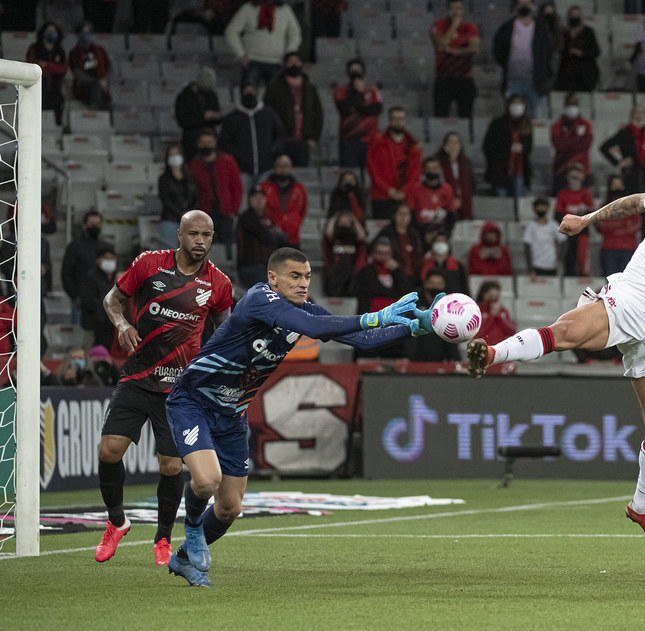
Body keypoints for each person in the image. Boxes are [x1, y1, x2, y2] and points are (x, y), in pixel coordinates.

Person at [465, 164, 645, 554]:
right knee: (566, 334)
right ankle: (493, 352)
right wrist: (587, 218)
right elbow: (633, 203)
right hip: (630, 295)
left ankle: (641, 507)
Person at [164, 247, 429, 585]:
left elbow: (362, 340)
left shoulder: (305, 310)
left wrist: (413, 328)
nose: (303, 283)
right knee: (206, 480)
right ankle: (193, 530)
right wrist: (377, 315)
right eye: (294, 276)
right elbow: (314, 328)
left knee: (230, 508)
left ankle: (185, 558)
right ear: (271, 278)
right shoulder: (258, 299)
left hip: (232, 414)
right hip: (193, 401)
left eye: (306, 277)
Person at [94, 211, 233, 569]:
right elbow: (112, 300)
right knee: (109, 451)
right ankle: (116, 520)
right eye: (194, 234)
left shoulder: (218, 284)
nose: (200, 241)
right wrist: (122, 322)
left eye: (207, 235)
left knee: (171, 466)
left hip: (180, 390)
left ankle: (162, 539)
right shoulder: (149, 264)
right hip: (139, 376)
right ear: (179, 235)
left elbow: (226, 332)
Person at [218, 82, 286, 190]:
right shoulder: (231, 118)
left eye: (252, 91)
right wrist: (238, 156)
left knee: (264, 202)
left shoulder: (269, 114)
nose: (250, 94)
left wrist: (272, 150)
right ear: (241, 94)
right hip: (241, 170)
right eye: (246, 91)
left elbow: (280, 135)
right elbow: (225, 142)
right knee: (242, 203)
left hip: (266, 168)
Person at [492, 0, 554, 116]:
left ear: (531, 6)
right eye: (521, 4)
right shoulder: (507, 27)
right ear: (516, 6)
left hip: (535, 81)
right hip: (513, 80)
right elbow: (498, 49)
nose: (524, 6)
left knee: (538, 117)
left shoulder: (541, 29)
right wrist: (507, 64)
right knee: (512, 116)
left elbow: (548, 52)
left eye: (527, 4)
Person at [189, 130, 244, 259]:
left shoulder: (227, 161)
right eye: (203, 143)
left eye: (209, 142)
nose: (206, 145)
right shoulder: (194, 165)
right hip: (205, 213)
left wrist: (234, 209)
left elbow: (237, 187)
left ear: (215, 142)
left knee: (228, 246)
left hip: (225, 212)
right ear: (198, 144)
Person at [263, 52, 323, 168]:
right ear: (285, 65)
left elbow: (318, 114)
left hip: (303, 141)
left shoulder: (310, 88)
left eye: (297, 61)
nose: (294, 64)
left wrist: (314, 137)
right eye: (291, 62)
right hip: (281, 141)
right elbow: (267, 114)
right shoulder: (274, 87)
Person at [224, 0, 302, 88]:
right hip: (251, 61)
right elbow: (231, 31)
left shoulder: (285, 10)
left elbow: (295, 34)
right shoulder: (248, 9)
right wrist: (240, 54)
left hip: (277, 62)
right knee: (249, 97)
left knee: (276, 99)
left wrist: (289, 55)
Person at [367, 106, 423, 219]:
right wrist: (388, 190)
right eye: (395, 119)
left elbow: (416, 174)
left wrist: (404, 191)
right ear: (390, 120)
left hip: (406, 198)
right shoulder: (377, 142)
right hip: (381, 197)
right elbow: (372, 169)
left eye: (401, 119)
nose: (398, 122)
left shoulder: (413, 146)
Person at [430, 0, 481, 118]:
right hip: (443, 79)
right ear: (447, 10)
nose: (456, 12)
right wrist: (454, 26)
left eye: (458, 8)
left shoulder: (470, 27)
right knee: (440, 116)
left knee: (466, 117)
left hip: (465, 79)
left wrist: (453, 51)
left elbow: (474, 48)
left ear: (463, 10)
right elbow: (441, 45)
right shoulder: (437, 25)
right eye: (453, 8)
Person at [333, 58, 383, 170]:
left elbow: (376, 109)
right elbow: (344, 109)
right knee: (349, 173)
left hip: (370, 140)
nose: (355, 72)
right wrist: (358, 93)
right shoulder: (341, 90)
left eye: (358, 69)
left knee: (370, 172)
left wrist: (356, 107)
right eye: (352, 69)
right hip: (348, 139)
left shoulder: (372, 89)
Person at [61, 211, 110, 325]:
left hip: (102, 303)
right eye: (91, 224)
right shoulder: (75, 247)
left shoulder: (106, 247)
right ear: (84, 225)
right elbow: (66, 274)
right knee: (80, 338)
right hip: (81, 302)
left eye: (97, 224)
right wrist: (75, 296)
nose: (95, 227)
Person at [237, 187, 289, 288]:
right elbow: (268, 238)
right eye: (255, 197)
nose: (259, 200)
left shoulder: (268, 218)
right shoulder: (247, 217)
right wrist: (274, 233)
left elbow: (284, 239)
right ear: (250, 200)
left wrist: (274, 235)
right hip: (250, 268)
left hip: (265, 268)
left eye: (262, 197)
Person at [483, 96, 533, 199]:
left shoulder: (527, 124)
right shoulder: (498, 124)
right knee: (501, 201)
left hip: (520, 171)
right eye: (514, 104)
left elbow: (529, 148)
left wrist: (522, 148)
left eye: (519, 104)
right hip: (500, 171)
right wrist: (507, 148)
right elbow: (488, 146)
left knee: (519, 202)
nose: (517, 107)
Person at [599, 105, 645, 194]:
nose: (639, 116)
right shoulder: (625, 133)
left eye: (642, 113)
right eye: (637, 113)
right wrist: (618, 162)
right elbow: (604, 147)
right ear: (631, 116)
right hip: (630, 174)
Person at [596, 175, 642, 277]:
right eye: (614, 185)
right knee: (610, 283)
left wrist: (614, 227)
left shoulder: (632, 206)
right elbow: (601, 226)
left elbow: (636, 226)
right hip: (609, 250)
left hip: (628, 250)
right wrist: (622, 226)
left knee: (626, 282)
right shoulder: (603, 207)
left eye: (619, 184)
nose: (617, 188)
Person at [409, 270, 459, 362]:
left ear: (444, 286)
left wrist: (454, 359)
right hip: (414, 358)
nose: (435, 287)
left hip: (440, 359)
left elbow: (451, 334)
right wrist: (406, 356)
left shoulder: (449, 306)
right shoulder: (413, 303)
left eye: (439, 284)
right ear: (425, 284)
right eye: (432, 283)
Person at [404, 156, 456, 243]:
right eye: (429, 168)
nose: (432, 171)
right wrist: (419, 234)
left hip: (441, 234)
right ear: (424, 170)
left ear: (440, 169)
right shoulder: (415, 189)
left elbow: (451, 215)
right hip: (420, 234)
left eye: (435, 168)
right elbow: (411, 216)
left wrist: (444, 235)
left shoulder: (447, 189)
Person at [555, 163, 595, 276]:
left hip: (583, 231)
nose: (574, 177)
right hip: (567, 231)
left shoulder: (586, 193)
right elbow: (557, 214)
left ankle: (583, 279)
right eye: (572, 174)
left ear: (582, 177)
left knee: (582, 259)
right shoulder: (563, 194)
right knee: (569, 259)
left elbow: (591, 214)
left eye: (578, 173)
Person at [174, 67, 222, 162]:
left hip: (210, 138)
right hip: (192, 141)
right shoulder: (184, 96)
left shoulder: (212, 95)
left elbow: (218, 115)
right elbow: (182, 120)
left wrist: (216, 116)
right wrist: (203, 117)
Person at [259, 154, 307, 247]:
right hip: (271, 237)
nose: (282, 169)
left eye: (285, 166)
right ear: (274, 168)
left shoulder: (300, 189)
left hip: (293, 238)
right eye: (279, 166)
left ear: (290, 168)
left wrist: (294, 223)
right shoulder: (264, 188)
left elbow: (302, 211)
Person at [550, 93, 593, 194]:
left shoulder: (586, 124)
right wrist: (577, 139)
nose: (572, 108)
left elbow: (585, 144)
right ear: (565, 107)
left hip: (582, 168)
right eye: (569, 105)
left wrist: (568, 139)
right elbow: (558, 144)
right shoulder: (557, 125)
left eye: (574, 104)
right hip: (562, 168)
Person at [25, 22, 67, 126]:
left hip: (55, 89)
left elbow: (63, 69)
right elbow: (33, 68)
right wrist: (51, 68)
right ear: (43, 33)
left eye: (54, 32)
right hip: (38, 88)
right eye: (49, 31)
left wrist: (46, 66)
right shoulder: (34, 48)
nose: (51, 34)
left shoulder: (60, 51)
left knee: (57, 114)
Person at [158, 145, 198, 251]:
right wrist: (181, 213)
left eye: (177, 154)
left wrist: (190, 213)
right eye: (171, 155)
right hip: (170, 220)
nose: (174, 157)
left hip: (190, 222)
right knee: (169, 254)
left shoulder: (191, 177)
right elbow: (166, 200)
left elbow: (196, 197)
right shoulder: (164, 179)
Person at [553, 5, 601, 93]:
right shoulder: (564, 33)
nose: (575, 18)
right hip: (568, 75)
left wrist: (581, 53)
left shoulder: (588, 32)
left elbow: (596, 51)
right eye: (572, 15)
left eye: (577, 15)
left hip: (585, 74)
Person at [321, 207, 367, 297]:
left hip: (351, 272)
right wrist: (334, 218)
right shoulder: (333, 238)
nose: (345, 221)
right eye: (342, 219)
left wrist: (354, 219)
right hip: (335, 271)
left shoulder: (354, 238)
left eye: (347, 219)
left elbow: (362, 236)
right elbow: (328, 234)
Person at [79, 245, 118, 350]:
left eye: (112, 259)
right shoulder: (90, 277)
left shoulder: (116, 278)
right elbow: (88, 301)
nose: (110, 261)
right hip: (93, 325)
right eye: (106, 258)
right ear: (99, 260)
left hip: (109, 326)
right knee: (92, 356)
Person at [374, 203, 425, 282]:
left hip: (413, 277)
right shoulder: (387, 233)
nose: (403, 217)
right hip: (393, 275)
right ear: (394, 215)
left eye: (406, 214)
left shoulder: (414, 234)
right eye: (400, 213)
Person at [68, 22, 111, 110]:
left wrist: (104, 79)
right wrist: (96, 81)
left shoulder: (99, 50)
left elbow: (108, 66)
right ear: (78, 34)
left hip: (101, 86)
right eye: (83, 33)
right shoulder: (74, 53)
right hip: (84, 87)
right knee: (95, 88)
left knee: (106, 96)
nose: (86, 35)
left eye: (88, 33)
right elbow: (77, 72)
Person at [522, 197, 565, 276]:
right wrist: (530, 269)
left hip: (551, 265)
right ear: (534, 209)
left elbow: (564, 241)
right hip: (536, 265)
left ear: (548, 208)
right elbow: (527, 247)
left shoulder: (553, 225)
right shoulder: (531, 226)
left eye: (543, 206)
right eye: (539, 206)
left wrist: (559, 259)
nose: (541, 209)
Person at [437, 132, 474, 220]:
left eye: (457, 142)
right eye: (451, 142)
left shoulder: (466, 163)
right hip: (444, 202)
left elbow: (472, 184)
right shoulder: (438, 162)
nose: (454, 145)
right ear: (445, 146)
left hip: (464, 202)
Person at [475, 280, 517, 346]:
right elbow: (477, 334)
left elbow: (512, 331)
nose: (493, 300)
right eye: (491, 296)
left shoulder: (502, 311)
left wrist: (499, 317)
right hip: (482, 347)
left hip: (499, 348)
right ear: (484, 295)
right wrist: (491, 316)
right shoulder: (477, 310)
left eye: (496, 297)